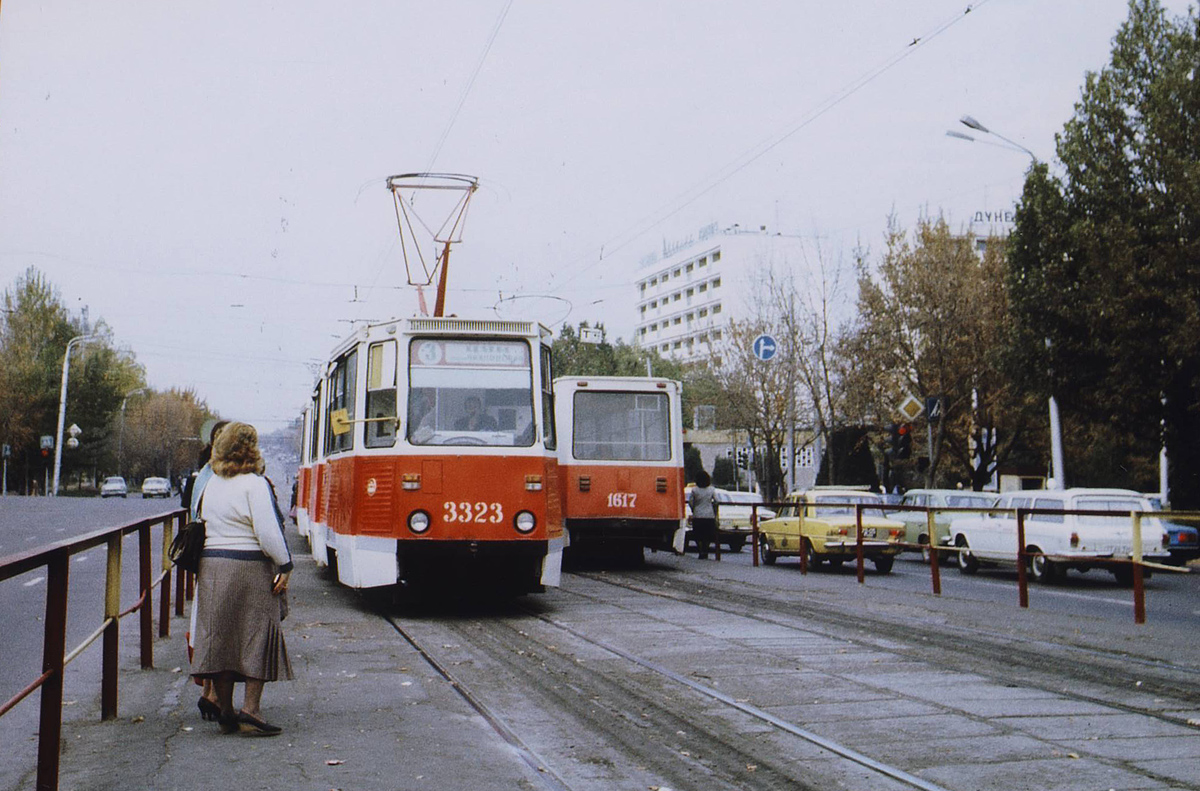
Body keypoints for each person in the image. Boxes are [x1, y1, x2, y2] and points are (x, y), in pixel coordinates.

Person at [190, 422, 294, 736]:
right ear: (251, 448)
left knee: (221, 636)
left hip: (212, 565)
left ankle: (225, 708)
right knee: (256, 635)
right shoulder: (254, 483)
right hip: (249, 566)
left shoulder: (212, 484)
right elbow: (267, 532)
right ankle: (251, 708)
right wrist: (285, 564)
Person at [688, 470, 720, 560]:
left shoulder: (694, 490)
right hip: (709, 515)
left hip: (697, 514)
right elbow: (717, 501)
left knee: (698, 534)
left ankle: (700, 550)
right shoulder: (711, 489)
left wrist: (693, 509)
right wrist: (714, 509)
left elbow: (691, 502)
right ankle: (705, 550)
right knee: (708, 534)